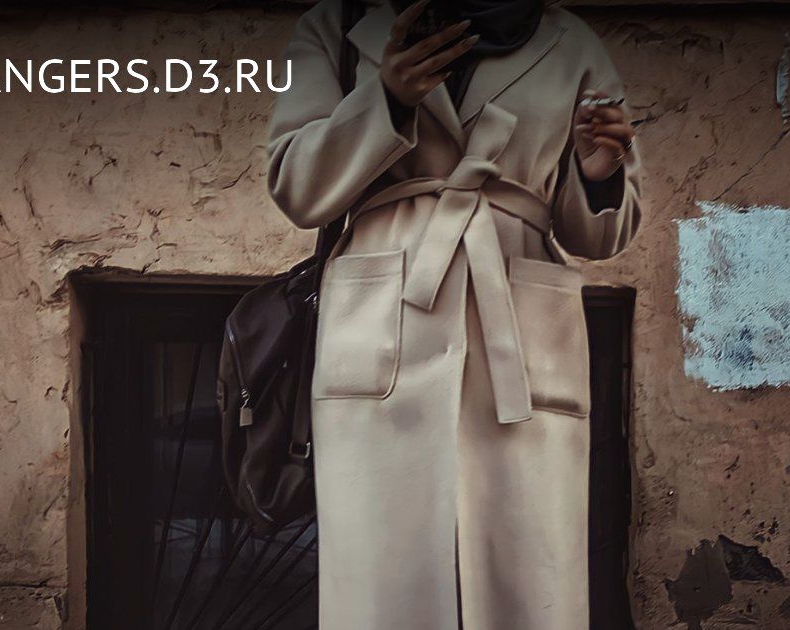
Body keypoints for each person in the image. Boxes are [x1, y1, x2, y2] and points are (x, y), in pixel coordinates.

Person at [266, 0, 643, 627]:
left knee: (529, 581)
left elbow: (600, 237)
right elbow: (297, 188)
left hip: (519, 321)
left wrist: (597, 175)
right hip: (384, 317)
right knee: (383, 584)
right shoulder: (338, 23)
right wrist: (386, 99)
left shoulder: (572, 41)